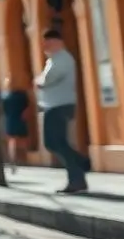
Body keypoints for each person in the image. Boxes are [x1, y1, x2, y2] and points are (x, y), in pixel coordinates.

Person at [37, 29, 90, 193]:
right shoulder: (53, 60)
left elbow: (47, 79)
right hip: (54, 105)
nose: (44, 46)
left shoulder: (62, 59)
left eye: (48, 42)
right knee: (55, 142)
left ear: (57, 42)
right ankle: (80, 163)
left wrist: (38, 80)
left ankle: (77, 176)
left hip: (59, 105)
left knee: (55, 142)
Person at [1, 76, 29, 173]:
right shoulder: (4, 95)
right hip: (10, 118)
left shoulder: (21, 94)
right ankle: (13, 161)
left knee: (22, 139)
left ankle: (23, 159)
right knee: (12, 140)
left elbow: (27, 106)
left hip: (19, 117)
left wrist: (25, 114)